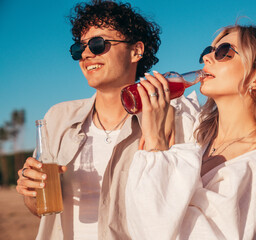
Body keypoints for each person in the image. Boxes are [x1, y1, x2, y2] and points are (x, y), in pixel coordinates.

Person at [15, 1, 200, 239]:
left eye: (98, 44)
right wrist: (31, 193)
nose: (86, 54)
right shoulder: (57, 118)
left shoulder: (174, 119)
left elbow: (181, 209)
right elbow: (41, 211)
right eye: (78, 48)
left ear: (136, 51)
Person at [124, 24, 256, 239]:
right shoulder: (198, 138)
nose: (207, 57)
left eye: (223, 52)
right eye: (207, 51)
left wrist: (156, 141)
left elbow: (156, 232)